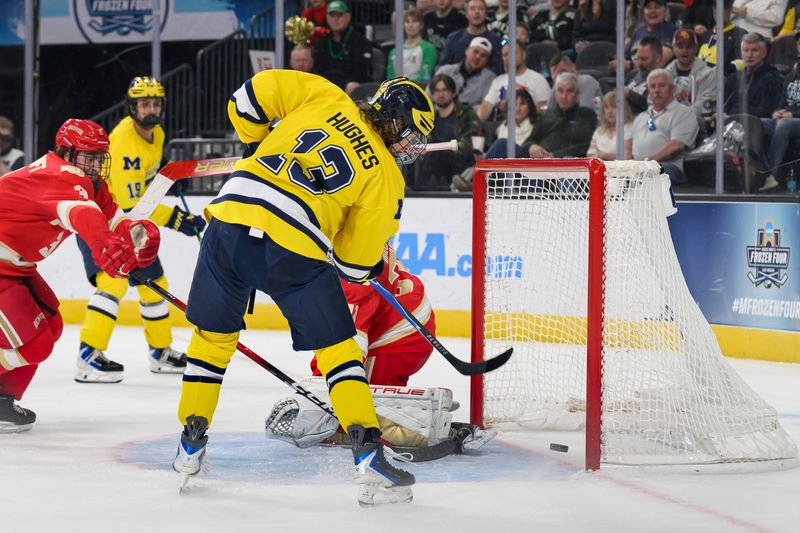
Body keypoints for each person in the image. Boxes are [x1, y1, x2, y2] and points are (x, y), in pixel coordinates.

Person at [170, 72, 435, 506]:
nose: (409, 146)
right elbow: (353, 265)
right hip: (292, 246)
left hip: (229, 218)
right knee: (339, 350)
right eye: (409, 132)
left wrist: (257, 144)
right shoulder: (387, 175)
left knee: (212, 342)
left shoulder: (326, 93)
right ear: (393, 117)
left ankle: (189, 447)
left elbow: (245, 100)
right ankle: (368, 456)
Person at [0, 119, 160, 432]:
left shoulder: (89, 183)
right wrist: (104, 245)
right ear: (68, 153)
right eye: (91, 156)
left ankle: (2, 403)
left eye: (101, 157)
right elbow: (81, 214)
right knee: (36, 345)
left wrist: (138, 236)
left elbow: (114, 220)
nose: (98, 164)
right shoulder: (56, 175)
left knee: (52, 325)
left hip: (16, 268)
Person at [75, 77, 204, 383]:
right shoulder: (122, 142)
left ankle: (161, 352)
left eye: (156, 103)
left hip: (125, 221)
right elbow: (132, 205)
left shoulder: (156, 133)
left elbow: (141, 191)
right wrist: (177, 220)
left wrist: (163, 178)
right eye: (144, 104)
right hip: (98, 219)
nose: (150, 109)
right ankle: (87, 356)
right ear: (131, 107)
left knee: (154, 282)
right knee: (113, 283)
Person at [632, 69, 700, 184]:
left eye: (662, 85)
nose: (657, 90)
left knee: (651, 174)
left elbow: (677, 145)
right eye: (653, 87)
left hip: (670, 168)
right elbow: (628, 145)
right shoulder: (641, 117)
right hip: (639, 167)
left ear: (672, 88)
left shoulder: (683, 113)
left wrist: (648, 162)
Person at [420, 73, 482, 189]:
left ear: (453, 93)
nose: (441, 94)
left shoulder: (466, 114)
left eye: (444, 90)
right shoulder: (430, 119)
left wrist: (440, 148)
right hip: (435, 164)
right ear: (432, 95)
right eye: (437, 91)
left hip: (461, 163)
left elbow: (468, 145)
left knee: (437, 154)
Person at [527, 72, 598, 158]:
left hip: (568, 164)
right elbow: (528, 142)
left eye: (569, 91)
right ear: (555, 94)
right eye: (560, 91)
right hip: (541, 161)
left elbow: (585, 146)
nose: (564, 96)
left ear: (577, 94)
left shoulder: (586, 115)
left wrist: (555, 155)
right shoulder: (546, 114)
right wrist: (532, 147)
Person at [477, 40, 551, 120]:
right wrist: (476, 121)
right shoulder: (498, 81)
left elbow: (545, 106)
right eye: (505, 55)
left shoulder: (537, 79)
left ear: (524, 55)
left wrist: (522, 109)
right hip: (502, 125)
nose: (509, 57)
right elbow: (487, 105)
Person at [313, 0, 375, 93]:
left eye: (339, 15)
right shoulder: (322, 42)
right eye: (332, 15)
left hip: (351, 88)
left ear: (348, 17)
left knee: (353, 86)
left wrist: (342, 84)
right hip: (328, 86)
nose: (335, 19)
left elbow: (362, 72)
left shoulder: (360, 41)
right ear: (327, 17)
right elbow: (318, 69)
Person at [758, 58, 800, 192]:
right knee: (758, 123)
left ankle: (771, 176)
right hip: (786, 119)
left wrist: (792, 115)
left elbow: (789, 116)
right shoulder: (791, 77)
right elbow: (781, 103)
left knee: (784, 125)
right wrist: (776, 113)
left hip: (792, 120)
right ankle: (758, 171)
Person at [724, 32, 784, 119]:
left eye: (754, 50)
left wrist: (731, 117)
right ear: (741, 53)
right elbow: (724, 107)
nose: (749, 55)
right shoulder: (733, 79)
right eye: (746, 50)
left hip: (755, 127)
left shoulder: (773, 79)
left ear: (764, 53)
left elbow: (766, 113)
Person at [664, 29, 715, 129]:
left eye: (689, 47)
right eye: (680, 46)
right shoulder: (664, 75)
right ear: (673, 48)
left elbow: (703, 107)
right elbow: (653, 104)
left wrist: (676, 119)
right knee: (647, 124)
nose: (685, 50)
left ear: (696, 49)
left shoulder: (708, 74)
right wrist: (651, 125)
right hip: (666, 126)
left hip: (697, 128)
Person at [437, 0, 504, 75]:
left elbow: (498, 68)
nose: (477, 12)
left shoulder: (497, 40)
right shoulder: (452, 38)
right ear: (466, 14)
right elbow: (442, 66)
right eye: (472, 9)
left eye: (480, 9)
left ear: (486, 14)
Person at [434, 36, 498, 108]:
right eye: (475, 52)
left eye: (483, 55)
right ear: (467, 51)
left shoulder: (489, 79)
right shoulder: (445, 71)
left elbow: (486, 107)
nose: (478, 57)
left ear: (487, 61)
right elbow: (428, 97)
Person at [484, 88, 539, 158]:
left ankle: (480, 167)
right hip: (503, 165)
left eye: (522, 104)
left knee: (502, 144)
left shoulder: (537, 126)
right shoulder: (503, 127)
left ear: (530, 106)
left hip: (525, 161)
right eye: (514, 104)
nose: (518, 109)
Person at [387, 9, 438, 85]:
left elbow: (425, 76)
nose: (410, 25)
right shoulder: (394, 52)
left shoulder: (428, 48)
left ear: (421, 25)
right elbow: (389, 78)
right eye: (407, 22)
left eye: (414, 21)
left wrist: (404, 84)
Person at [628, 0, 677, 66]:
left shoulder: (673, 32)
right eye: (648, 8)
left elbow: (657, 61)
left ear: (665, 11)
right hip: (629, 75)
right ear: (644, 11)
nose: (652, 11)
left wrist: (630, 65)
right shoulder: (638, 32)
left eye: (657, 7)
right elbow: (625, 57)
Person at [587, 91, 633, 160]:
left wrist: (605, 155)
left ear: (623, 109)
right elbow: (590, 153)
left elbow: (626, 156)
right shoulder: (599, 130)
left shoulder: (629, 128)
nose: (610, 111)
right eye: (606, 107)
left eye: (614, 107)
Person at [625, 36, 663, 115]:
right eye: (638, 58)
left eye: (644, 59)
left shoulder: (664, 80)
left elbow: (656, 105)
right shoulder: (633, 74)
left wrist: (630, 94)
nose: (639, 63)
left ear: (657, 58)